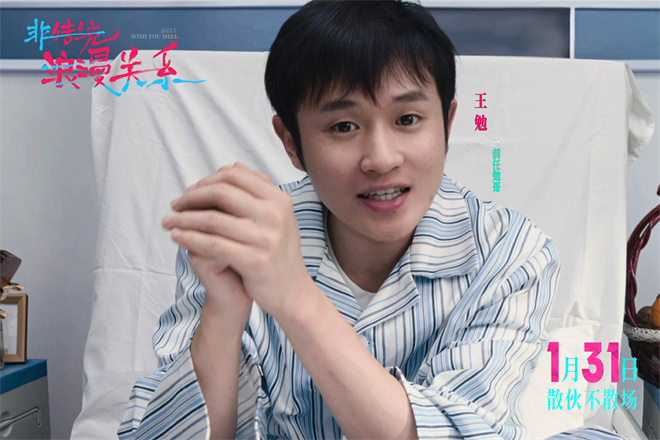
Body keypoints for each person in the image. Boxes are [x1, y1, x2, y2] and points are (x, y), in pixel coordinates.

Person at [118, 1, 624, 439]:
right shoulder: (243, 239)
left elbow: (463, 430)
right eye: (343, 126)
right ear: (291, 142)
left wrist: (294, 297)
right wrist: (224, 313)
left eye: (408, 119)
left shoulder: (512, 253)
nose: (381, 158)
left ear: (447, 124)